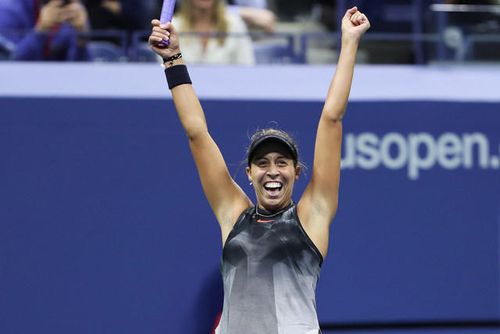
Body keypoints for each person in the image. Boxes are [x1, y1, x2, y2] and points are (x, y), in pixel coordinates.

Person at [148, 6, 369, 333]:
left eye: (282, 163)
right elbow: (196, 132)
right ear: (249, 173)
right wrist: (173, 58)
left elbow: (331, 118)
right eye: (262, 163)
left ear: (297, 171)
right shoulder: (233, 213)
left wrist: (349, 42)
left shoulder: (313, 216)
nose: (273, 171)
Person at [0, 0, 90, 61]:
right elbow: (10, 64)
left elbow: (82, 74)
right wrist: (41, 31)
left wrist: (81, 39)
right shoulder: (8, 9)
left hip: (59, 84)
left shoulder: (73, 9)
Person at [172, 0, 255, 65]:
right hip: (182, 85)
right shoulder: (173, 26)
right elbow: (167, 67)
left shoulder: (235, 24)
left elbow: (246, 65)